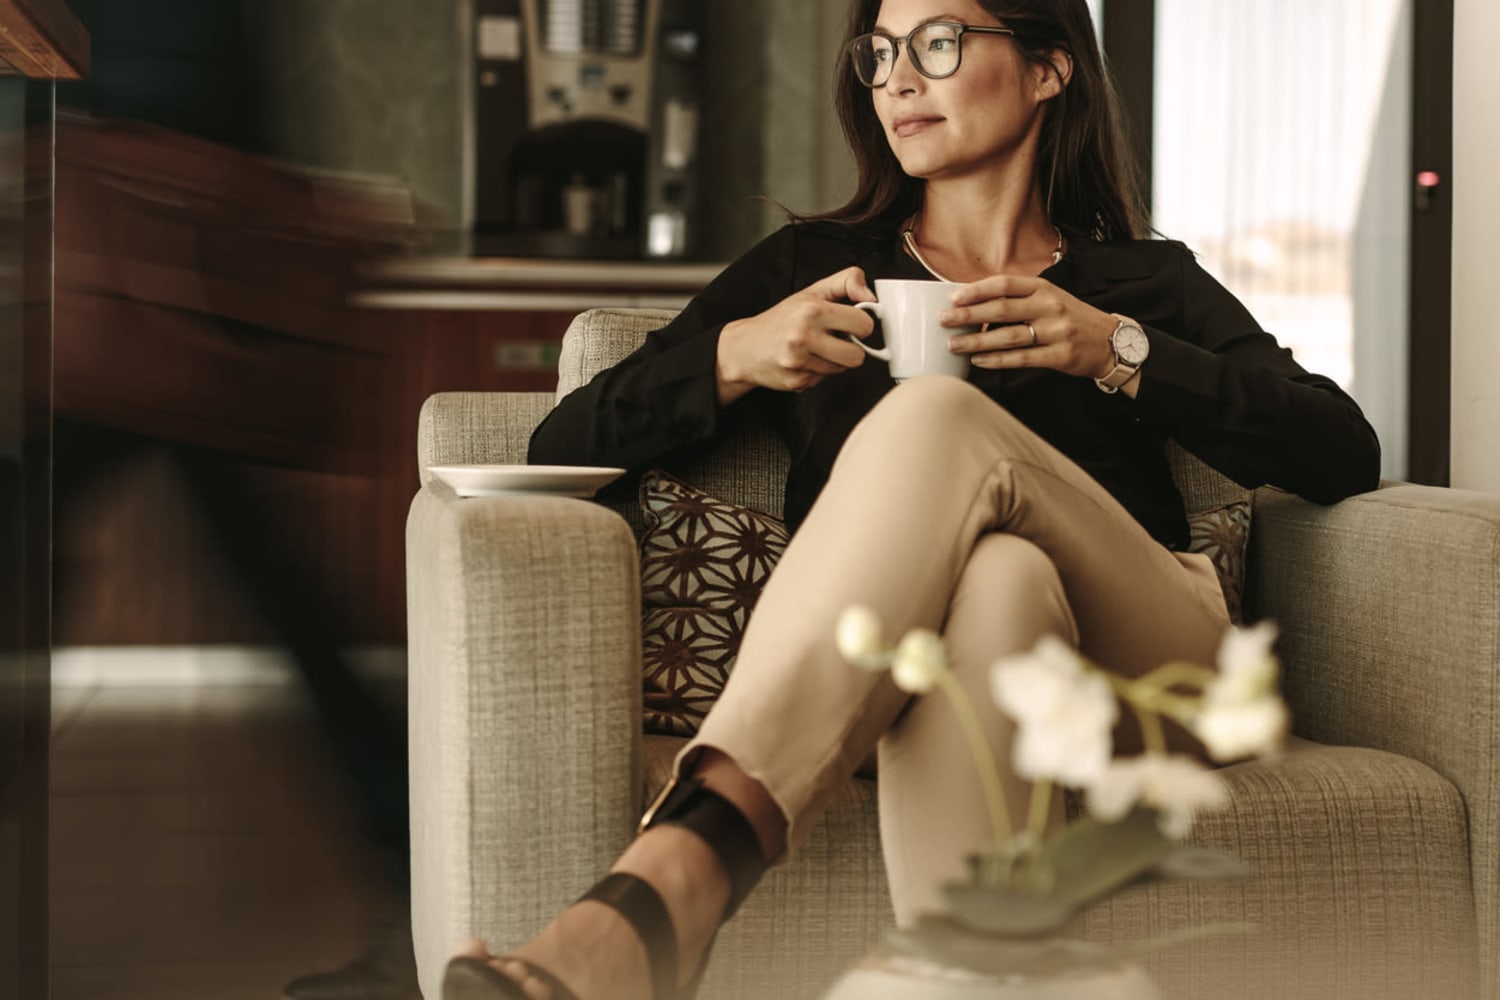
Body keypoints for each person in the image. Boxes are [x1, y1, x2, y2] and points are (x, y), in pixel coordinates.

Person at [442, 0, 1381, 998]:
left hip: (1145, 657)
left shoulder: (1139, 280)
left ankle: (680, 873)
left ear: (1047, 68)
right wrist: (735, 355)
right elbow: (560, 443)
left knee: (935, 414)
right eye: (880, 52)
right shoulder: (810, 269)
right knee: (999, 575)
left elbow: (1340, 449)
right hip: (917, 668)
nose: (895, 78)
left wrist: (1113, 351)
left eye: (937, 43)